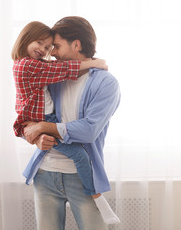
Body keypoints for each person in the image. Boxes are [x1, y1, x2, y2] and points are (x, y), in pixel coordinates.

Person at [22, 16, 121, 230]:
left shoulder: (106, 83)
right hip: (45, 173)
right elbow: (28, 118)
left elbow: (88, 131)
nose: (52, 53)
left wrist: (42, 127)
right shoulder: (52, 77)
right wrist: (37, 137)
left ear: (76, 44)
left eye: (56, 46)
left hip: (81, 176)